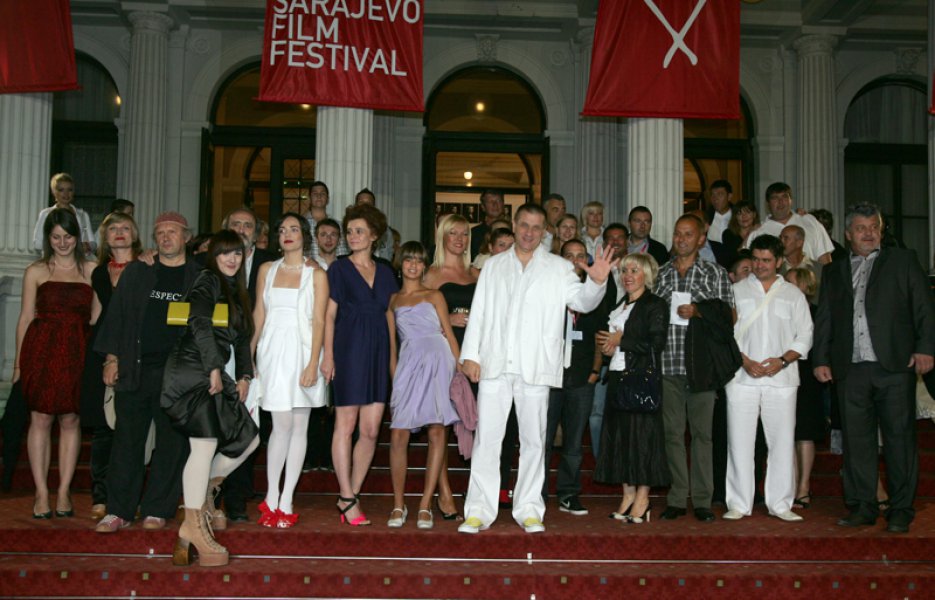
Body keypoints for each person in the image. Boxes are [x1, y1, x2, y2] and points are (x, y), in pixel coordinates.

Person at [457, 203, 617, 534]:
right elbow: (480, 310)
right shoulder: (493, 265)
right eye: (524, 225)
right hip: (495, 363)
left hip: (536, 365)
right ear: (514, 225)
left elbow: (582, 303)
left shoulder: (559, 267)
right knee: (487, 440)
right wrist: (470, 355)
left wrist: (597, 282)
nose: (529, 232)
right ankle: (478, 510)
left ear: (545, 232)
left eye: (536, 227)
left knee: (533, 441)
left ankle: (529, 508)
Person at [813, 203, 935, 534]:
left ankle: (901, 508)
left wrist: (925, 348)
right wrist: (821, 358)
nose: (869, 233)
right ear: (848, 234)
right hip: (850, 368)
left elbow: (924, 308)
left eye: (874, 227)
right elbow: (825, 318)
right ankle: (862, 506)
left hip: (894, 365)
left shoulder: (902, 260)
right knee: (856, 442)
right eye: (861, 228)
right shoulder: (835, 270)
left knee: (900, 439)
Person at [94, 211, 201, 532]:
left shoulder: (199, 275)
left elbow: (209, 325)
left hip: (177, 375)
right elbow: (117, 316)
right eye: (160, 233)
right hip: (135, 368)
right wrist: (111, 359)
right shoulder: (138, 272)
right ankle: (119, 510)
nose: (166, 237)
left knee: (172, 444)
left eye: (173, 232)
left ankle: (157, 508)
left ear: (186, 237)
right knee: (126, 441)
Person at [160, 230, 260, 566]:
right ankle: (194, 526)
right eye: (225, 253)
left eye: (238, 253)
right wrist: (214, 368)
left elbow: (243, 339)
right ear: (213, 256)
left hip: (211, 369)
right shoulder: (208, 280)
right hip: (193, 367)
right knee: (203, 445)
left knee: (248, 438)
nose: (232, 259)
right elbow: (199, 322)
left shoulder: (237, 291)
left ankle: (197, 503)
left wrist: (245, 375)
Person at [13, 208, 100, 518]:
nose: (63, 243)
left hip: (77, 350)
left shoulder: (92, 270)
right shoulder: (36, 271)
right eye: (56, 237)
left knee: (71, 420)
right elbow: (25, 318)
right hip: (42, 349)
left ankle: (63, 491)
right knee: (40, 418)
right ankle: (41, 492)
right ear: (48, 239)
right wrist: (18, 366)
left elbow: (97, 317)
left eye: (68, 236)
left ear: (78, 236)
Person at [723, 235, 813, 523]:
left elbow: (806, 335)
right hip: (741, 377)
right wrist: (744, 361)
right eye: (755, 259)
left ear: (779, 261)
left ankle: (780, 503)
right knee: (739, 442)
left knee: (782, 443)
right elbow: (724, 334)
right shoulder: (735, 291)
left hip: (782, 379)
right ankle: (739, 503)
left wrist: (783, 360)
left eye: (766, 260)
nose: (759, 265)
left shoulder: (793, 294)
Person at [322, 203, 399, 526]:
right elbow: (328, 316)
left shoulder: (386, 272)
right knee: (346, 425)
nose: (353, 236)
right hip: (348, 349)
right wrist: (328, 355)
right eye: (350, 231)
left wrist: (394, 360)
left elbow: (391, 316)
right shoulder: (338, 269)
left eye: (359, 231)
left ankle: (349, 495)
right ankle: (346, 494)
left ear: (374, 235)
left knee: (370, 430)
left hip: (378, 352)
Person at [656, 214, 735, 523]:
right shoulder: (661, 273)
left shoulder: (715, 273)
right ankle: (677, 497)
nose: (681, 239)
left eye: (688, 234)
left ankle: (702, 500)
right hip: (668, 363)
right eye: (678, 233)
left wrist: (699, 311)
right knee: (672, 434)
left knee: (703, 435)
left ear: (701, 239)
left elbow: (730, 317)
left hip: (702, 366)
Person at [252, 213, 329, 528]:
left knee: (299, 425)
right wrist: (250, 352)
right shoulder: (267, 269)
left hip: (302, 351)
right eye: (282, 229)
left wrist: (313, 363)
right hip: (272, 350)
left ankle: (286, 499)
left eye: (294, 229)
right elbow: (259, 312)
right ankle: (271, 496)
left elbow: (320, 320)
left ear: (304, 236)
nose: (287, 234)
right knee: (280, 424)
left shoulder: (317, 275)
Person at [386, 242, 461, 529]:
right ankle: (398, 504)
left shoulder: (434, 295)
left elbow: (449, 335)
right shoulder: (392, 301)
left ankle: (426, 504)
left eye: (419, 260)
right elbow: (392, 347)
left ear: (424, 266)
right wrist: (395, 379)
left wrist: (459, 368)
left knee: (437, 430)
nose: (413, 265)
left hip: (439, 361)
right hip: (408, 363)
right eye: (408, 260)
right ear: (400, 263)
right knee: (398, 434)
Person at [594, 253, 669, 524]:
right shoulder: (620, 304)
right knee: (621, 440)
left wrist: (621, 340)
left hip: (640, 380)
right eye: (625, 270)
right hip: (617, 377)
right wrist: (608, 348)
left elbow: (656, 345)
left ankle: (643, 499)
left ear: (646, 275)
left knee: (642, 440)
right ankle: (627, 495)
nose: (628, 276)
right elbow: (615, 344)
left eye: (634, 270)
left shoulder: (655, 304)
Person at [215, 207, 276, 522]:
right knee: (215, 429)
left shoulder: (271, 264)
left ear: (257, 232)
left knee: (247, 428)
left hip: (259, 357)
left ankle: (236, 501)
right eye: (235, 224)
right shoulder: (207, 264)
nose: (241, 229)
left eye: (248, 225)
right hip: (215, 358)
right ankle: (210, 499)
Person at [82, 211, 143, 520]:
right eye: (113, 228)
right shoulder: (98, 273)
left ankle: (132, 495)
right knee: (103, 428)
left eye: (125, 227)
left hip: (135, 350)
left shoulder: (147, 268)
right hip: (101, 349)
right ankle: (101, 496)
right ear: (104, 237)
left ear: (135, 234)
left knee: (134, 428)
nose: (119, 232)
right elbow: (96, 315)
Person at [543, 240, 607, 516]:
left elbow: (600, 337)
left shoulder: (593, 295)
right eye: (569, 255)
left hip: (581, 378)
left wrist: (594, 372)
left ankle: (568, 493)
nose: (574, 260)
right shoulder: (548, 292)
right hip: (549, 378)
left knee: (573, 442)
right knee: (541, 440)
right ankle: (536, 494)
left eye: (580, 256)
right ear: (559, 259)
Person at [423, 213, 478, 518]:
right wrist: (445, 322)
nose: (459, 239)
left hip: (475, 357)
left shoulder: (477, 274)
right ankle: (444, 494)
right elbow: (415, 318)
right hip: (442, 355)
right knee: (440, 427)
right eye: (453, 233)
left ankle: (477, 493)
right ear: (441, 237)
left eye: (464, 233)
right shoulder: (430, 275)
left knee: (477, 423)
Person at [783, 267, 825, 508]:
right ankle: (789, 486)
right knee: (786, 433)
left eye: (791, 282)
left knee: (805, 432)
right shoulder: (780, 312)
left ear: (805, 287)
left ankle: (803, 487)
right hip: (783, 375)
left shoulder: (817, 313)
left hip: (809, 377)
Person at [745, 182, 834, 265]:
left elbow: (825, 258)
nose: (780, 202)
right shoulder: (758, 232)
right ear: (768, 203)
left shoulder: (809, 221)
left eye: (784, 197)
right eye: (775, 198)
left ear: (791, 200)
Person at [33, 173, 95, 256]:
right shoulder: (46, 214)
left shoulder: (83, 215)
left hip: (78, 261)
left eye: (70, 190)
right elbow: (37, 243)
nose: (66, 194)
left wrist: (87, 246)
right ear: (53, 191)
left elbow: (92, 243)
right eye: (61, 190)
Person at [304, 180, 349, 261]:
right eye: (315, 194)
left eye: (322, 194)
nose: (319, 196)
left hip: (333, 267)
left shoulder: (338, 225)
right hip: (308, 267)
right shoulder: (301, 224)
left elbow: (342, 253)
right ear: (309, 199)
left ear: (327, 199)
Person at [355, 188, 395, 261]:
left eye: (368, 203)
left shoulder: (385, 230)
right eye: (361, 202)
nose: (364, 206)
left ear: (373, 206)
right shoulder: (349, 227)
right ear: (356, 205)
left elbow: (388, 253)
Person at [470, 189, 506, 259]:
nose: (495, 205)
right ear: (483, 207)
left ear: (503, 204)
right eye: (490, 202)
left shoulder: (513, 231)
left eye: (498, 201)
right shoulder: (474, 233)